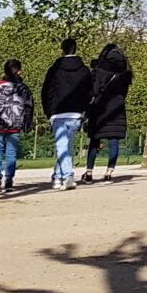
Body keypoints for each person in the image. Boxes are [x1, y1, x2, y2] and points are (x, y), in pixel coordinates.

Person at [42, 38, 93, 190]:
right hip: (76, 113)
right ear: (76, 50)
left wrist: (48, 111)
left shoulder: (54, 70)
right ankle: (57, 176)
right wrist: (84, 109)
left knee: (62, 146)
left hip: (58, 112)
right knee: (66, 147)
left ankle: (67, 175)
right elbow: (89, 92)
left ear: (61, 51)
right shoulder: (84, 71)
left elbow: (46, 92)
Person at [0, 59, 34, 193]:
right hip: (15, 123)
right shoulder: (23, 88)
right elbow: (29, 106)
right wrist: (28, 122)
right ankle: (9, 180)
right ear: (19, 71)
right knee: (11, 152)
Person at [84, 44, 132, 183]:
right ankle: (109, 172)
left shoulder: (99, 70)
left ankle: (89, 172)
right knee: (114, 141)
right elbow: (124, 93)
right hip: (117, 107)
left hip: (100, 107)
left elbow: (94, 89)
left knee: (94, 140)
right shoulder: (126, 72)